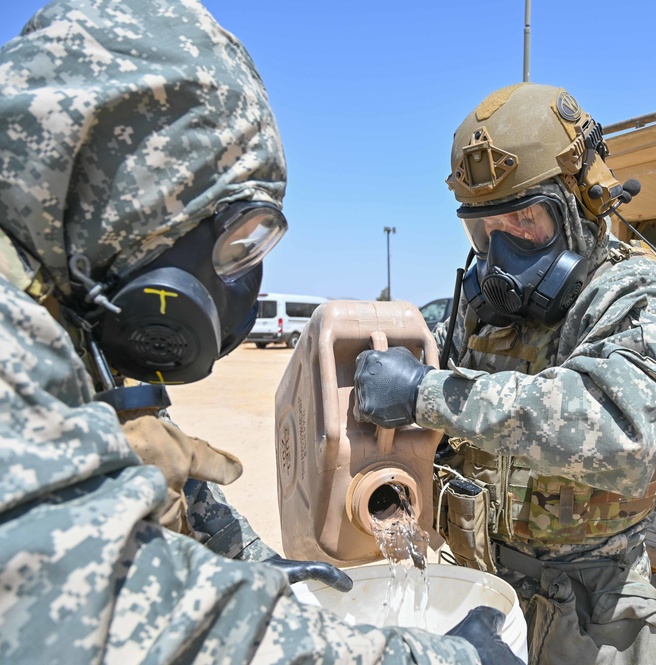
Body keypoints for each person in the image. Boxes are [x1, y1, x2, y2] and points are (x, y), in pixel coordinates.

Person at [0, 2, 518, 663]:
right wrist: (446, 658)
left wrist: (254, 563)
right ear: (131, 199)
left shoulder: (52, 316)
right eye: (238, 241)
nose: (238, 281)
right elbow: (108, 617)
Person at [353, 83, 656, 664]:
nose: (500, 253)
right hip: (478, 592)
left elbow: (620, 431)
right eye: (484, 231)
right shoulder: (481, 308)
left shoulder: (638, 297)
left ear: (584, 203)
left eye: (523, 220)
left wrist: (423, 393)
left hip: (592, 614)